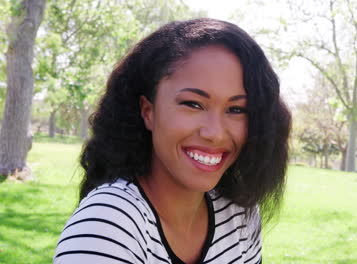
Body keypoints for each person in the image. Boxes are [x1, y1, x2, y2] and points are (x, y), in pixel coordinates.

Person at [54, 18, 291, 264]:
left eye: (236, 109)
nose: (215, 133)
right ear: (148, 111)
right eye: (193, 104)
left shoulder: (240, 215)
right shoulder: (106, 226)